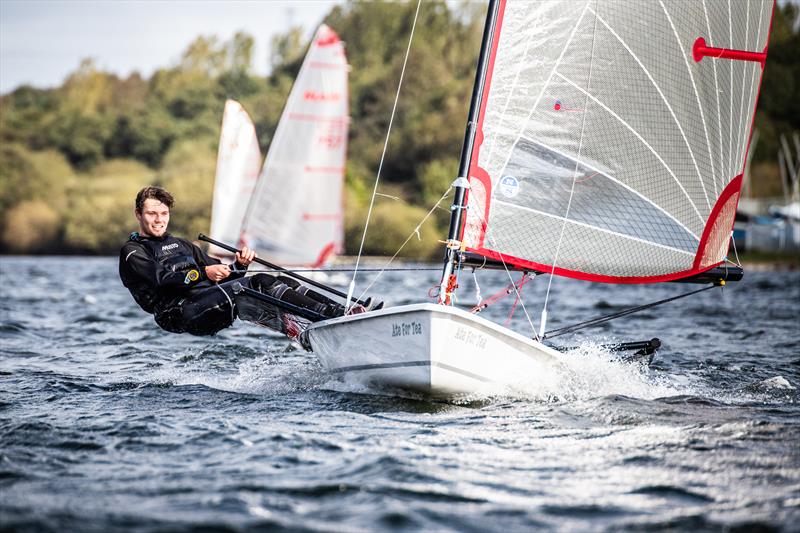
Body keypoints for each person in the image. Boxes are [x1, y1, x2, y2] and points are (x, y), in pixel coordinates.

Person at [119, 186, 360, 336]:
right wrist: (204, 274)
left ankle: (341, 312)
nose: (159, 219)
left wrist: (240, 265)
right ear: (138, 214)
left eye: (164, 213)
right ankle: (329, 319)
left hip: (206, 301)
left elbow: (227, 276)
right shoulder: (132, 252)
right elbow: (161, 278)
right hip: (178, 312)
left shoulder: (183, 245)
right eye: (152, 214)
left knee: (270, 279)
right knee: (249, 286)